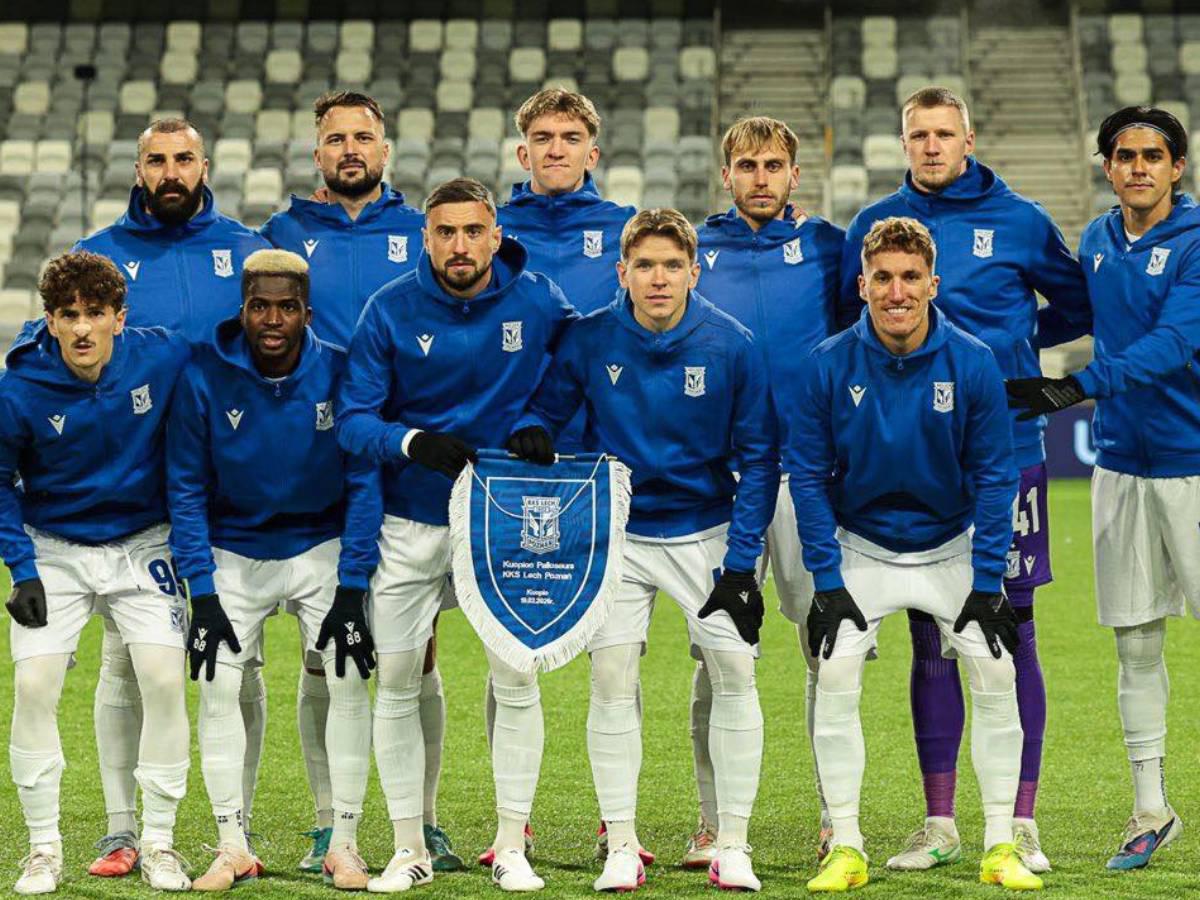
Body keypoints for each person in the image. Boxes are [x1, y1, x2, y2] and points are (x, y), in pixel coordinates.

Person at [838, 87, 1091, 872]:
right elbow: (848, 323)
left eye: (944, 134)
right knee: (930, 635)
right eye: (919, 134)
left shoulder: (1021, 220)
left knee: (1012, 627)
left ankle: (1020, 821)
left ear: (968, 140)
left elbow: (1078, 304)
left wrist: (1020, 343)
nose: (932, 146)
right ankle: (940, 822)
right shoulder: (874, 225)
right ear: (903, 143)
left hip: (1007, 446)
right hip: (916, 454)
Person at [508, 208, 777, 892]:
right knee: (611, 680)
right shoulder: (589, 338)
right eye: (645, 266)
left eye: (672, 265)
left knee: (734, 676)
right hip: (620, 532)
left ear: (695, 271)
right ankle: (622, 844)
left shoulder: (733, 344)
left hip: (708, 531)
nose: (659, 279)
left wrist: (742, 562)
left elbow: (760, 459)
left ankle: (733, 843)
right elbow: (545, 408)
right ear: (621, 272)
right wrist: (534, 429)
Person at [336, 177, 577, 892]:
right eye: (446, 232)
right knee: (397, 682)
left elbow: (580, 373)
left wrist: (542, 422)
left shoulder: (540, 301)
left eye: (474, 231)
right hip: (410, 522)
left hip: (504, 516)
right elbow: (353, 420)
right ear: (426, 238)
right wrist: (411, 442)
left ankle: (511, 845)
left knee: (517, 677)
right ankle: (408, 847)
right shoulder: (389, 309)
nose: (460, 245)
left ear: (496, 235)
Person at [788, 217, 1041, 892]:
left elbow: (996, 476)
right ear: (862, 285)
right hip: (861, 548)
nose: (896, 292)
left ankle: (1000, 845)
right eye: (882, 278)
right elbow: (807, 476)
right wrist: (826, 579)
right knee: (834, 673)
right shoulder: (827, 363)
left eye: (909, 277)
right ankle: (845, 846)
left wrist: (987, 581)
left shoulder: (973, 361)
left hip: (949, 547)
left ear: (933, 283)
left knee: (996, 671)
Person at [259, 91, 456, 873]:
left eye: (363, 137)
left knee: (418, 650)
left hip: (399, 462)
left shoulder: (422, 233)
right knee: (321, 650)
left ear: (385, 150)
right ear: (317, 154)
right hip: (309, 461)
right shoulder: (281, 236)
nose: (350, 149)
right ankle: (325, 823)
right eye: (336, 138)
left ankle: (425, 821)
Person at [73, 117, 271, 878]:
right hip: (138, 489)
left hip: (231, 487)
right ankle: (121, 830)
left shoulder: (247, 251)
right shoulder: (100, 254)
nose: (170, 172)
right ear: (138, 170)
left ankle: (236, 831)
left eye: (183, 159)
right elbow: (54, 343)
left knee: (241, 662)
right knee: (126, 662)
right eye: (156, 160)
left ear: (204, 166)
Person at [1008, 105, 1200, 871]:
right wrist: (994, 337)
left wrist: (1073, 386)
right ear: (1108, 167)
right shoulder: (1094, 239)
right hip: (1119, 466)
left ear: (1177, 166)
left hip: (1194, 464)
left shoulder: (1196, 241)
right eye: (1124, 155)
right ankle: (1151, 808)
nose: (1138, 167)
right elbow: (1075, 315)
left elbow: (1174, 342)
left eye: (1153, 155)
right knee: (1135, 640)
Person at [165, 249, 381, 891]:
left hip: (321, 546)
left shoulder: (341, 371)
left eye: (287, 307)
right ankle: (232, 844)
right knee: (216, 681)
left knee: (348, 678)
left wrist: (353, 586)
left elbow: (364, 480)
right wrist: (202, 593)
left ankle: (344, 843)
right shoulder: (203, 375)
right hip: (234, 550)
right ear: (243, 309)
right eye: (260, 305)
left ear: (307, 313)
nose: (272, 319)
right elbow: (185, 487)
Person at [0, 251, 192, 893]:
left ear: (120, 317)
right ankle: (42, 848)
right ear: (49, 321)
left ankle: (159, 842)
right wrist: (22, 567)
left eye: (96, 313)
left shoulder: (162, 355)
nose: (83, 328)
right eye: (68, 315)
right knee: (34, 687)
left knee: (164, 680)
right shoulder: (17, 389)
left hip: (144, 541)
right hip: (54, 547)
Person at [692, 115, 844, 866]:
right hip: (720, 481)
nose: (760, 177)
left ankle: (834, 815)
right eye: (746, 165)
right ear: (726, 174)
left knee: (827, 649)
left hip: (809, 477)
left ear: (794, 175)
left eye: (773, 165)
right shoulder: (695, 249)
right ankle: (711, 820)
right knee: (716, 657)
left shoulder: (830, 247)